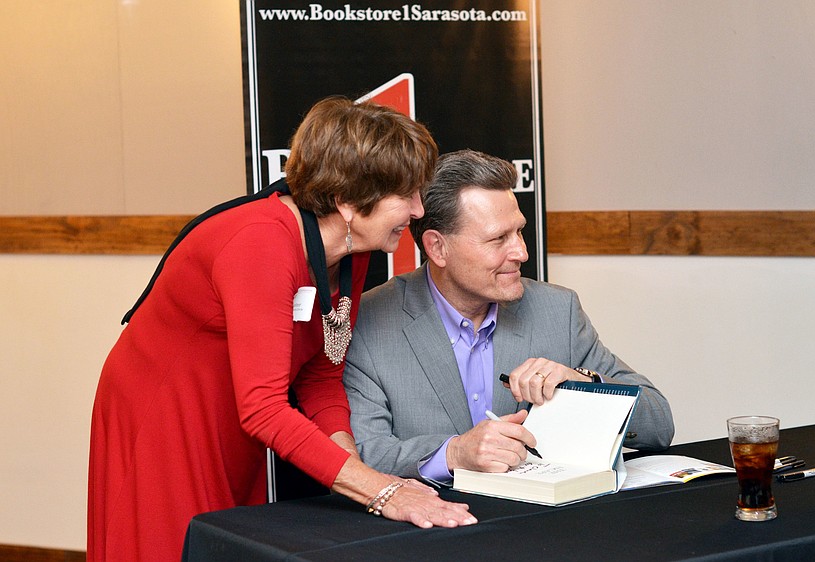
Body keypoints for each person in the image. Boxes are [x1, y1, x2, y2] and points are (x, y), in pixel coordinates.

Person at [87, 98, 477, 562]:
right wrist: (380, 490)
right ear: (348, 202)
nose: (418, 210)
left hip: (238, 414)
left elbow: (321, 375)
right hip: (165, 417)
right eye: (406, 195)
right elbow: (264, 408)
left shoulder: (353, 249)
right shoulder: (261, 243)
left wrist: (356, 476)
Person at [343, 149, 674, 483]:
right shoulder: (370, 322)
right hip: (429, 513)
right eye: (498, 238)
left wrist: (583, 383)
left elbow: (659, 425)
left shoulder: (557, 310)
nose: (521, 252)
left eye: (519, 232)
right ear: (438, 248)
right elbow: (365, 453)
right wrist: (455, 453)